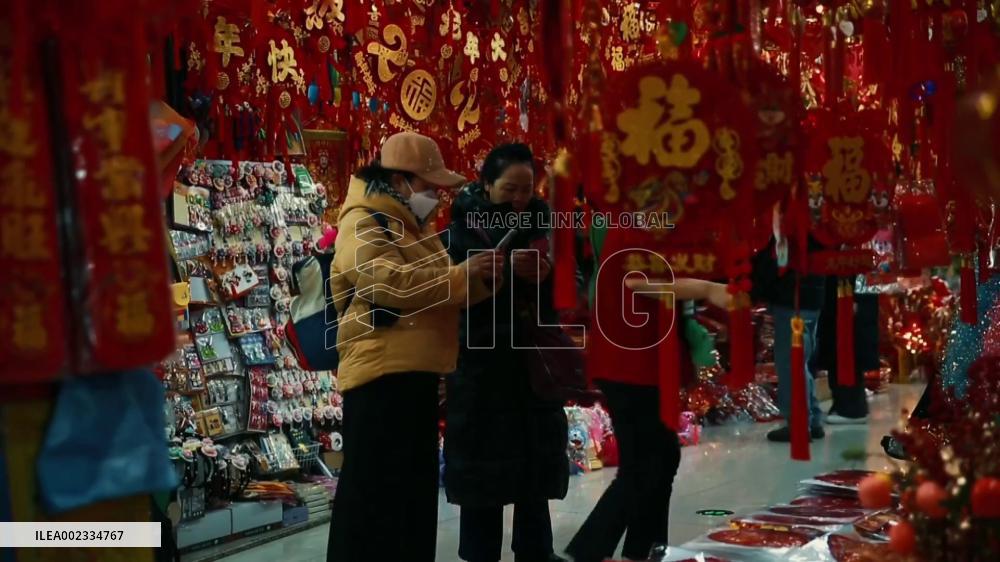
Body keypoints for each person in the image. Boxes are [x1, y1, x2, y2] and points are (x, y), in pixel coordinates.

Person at [327, 132, 501, 562]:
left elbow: (435, 292)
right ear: (399, 180)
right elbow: (389, 284)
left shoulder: (415, 227)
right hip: (380, 379)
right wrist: (462, 277)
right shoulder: (363, 222)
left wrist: (485, 279)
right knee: (373, 505)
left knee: (412, 502)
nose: (435, 197)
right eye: (428, 187)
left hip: (417, 377)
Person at [565, 220, 731, 562]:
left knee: (661, 458)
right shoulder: (636, 220)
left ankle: (645, 551)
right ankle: (589, 551)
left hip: (645, 358)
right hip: (629, 360)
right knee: (644, 465)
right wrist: (707, 289)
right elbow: (638, 282)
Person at [443, 143, 569, 562]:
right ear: (486, 185)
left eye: (526, 188)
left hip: (533, 366)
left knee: (533, 473)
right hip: (481, 367)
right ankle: (479, 555)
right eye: (509, 188)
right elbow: (451, 293)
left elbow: (574, 283)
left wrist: (549, 274)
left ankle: (537, 552)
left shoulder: (545, 223)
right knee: (484, 477)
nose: (519, 198)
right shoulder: (462, 228)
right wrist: (498, 271)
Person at [750, 206, 827, 442]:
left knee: (791, 363)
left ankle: (798, 423)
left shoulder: (788, 218)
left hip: (792, 299)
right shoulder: (816, 216)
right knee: (802, 360)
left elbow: (775, 260)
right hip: (812, 296)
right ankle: (811, 418)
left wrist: (755, 288)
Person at [814, 275, 879, 424]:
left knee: (847, 347)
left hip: (848, 295)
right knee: (840, 348)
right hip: (846, 293)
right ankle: (845, 404)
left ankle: (851, 408)